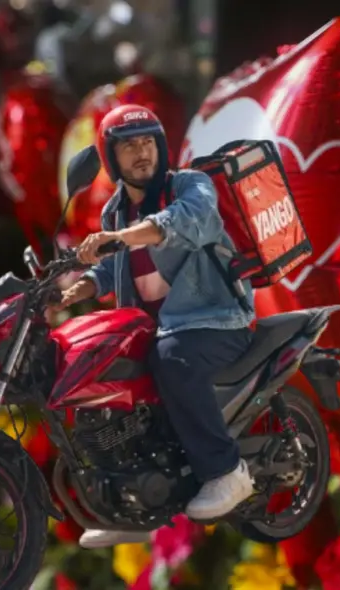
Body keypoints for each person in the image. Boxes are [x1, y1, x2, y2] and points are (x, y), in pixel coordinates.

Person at [58, 104, 256, 549]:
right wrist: (81, 286)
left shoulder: (189, 186)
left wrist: (121, 238)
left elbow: (187, 223)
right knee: (99, 374)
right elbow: (116, 269)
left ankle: (226, 472)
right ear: (111, 158)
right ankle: (128, 506)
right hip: (155, 327)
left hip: (214, 318)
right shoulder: (114, 213)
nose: (142, 153)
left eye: (148, 142)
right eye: (129, 146)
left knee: (174, 358)